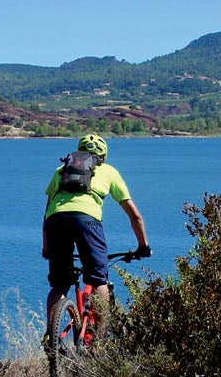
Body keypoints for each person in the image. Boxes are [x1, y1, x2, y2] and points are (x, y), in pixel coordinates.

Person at [42, 133, 150, 334]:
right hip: (87, 221)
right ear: (104, 156)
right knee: (98, 280)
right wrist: (143, 246)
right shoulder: (108, 171)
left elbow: (47, 213)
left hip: (55, 222)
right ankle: (98, 342)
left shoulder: (60, 170)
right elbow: (134, 215)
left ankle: (51, 335)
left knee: (59, 285)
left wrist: (47, 246)